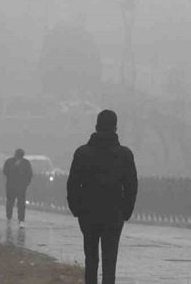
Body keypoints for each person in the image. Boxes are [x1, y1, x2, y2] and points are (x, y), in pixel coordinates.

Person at [67, 109, 138, 284]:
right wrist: (126, 211)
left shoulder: (82, 153)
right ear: (115, 128)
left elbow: (73, 184)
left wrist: (76, 209)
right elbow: (131, 186)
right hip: (114, 213)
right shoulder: (124, 155)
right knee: (110, 259)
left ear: (96, 126)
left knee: (90, 258)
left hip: (88, 213)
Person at [3, 148, 33, 228]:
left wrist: (25, 184)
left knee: (16, 204)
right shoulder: (12, 162)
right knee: (14, 203)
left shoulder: (23, 163)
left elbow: (29, 175)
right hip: (14, 186)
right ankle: (14, 218)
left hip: (16, 186)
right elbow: (5, 171)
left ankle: (17, 219)